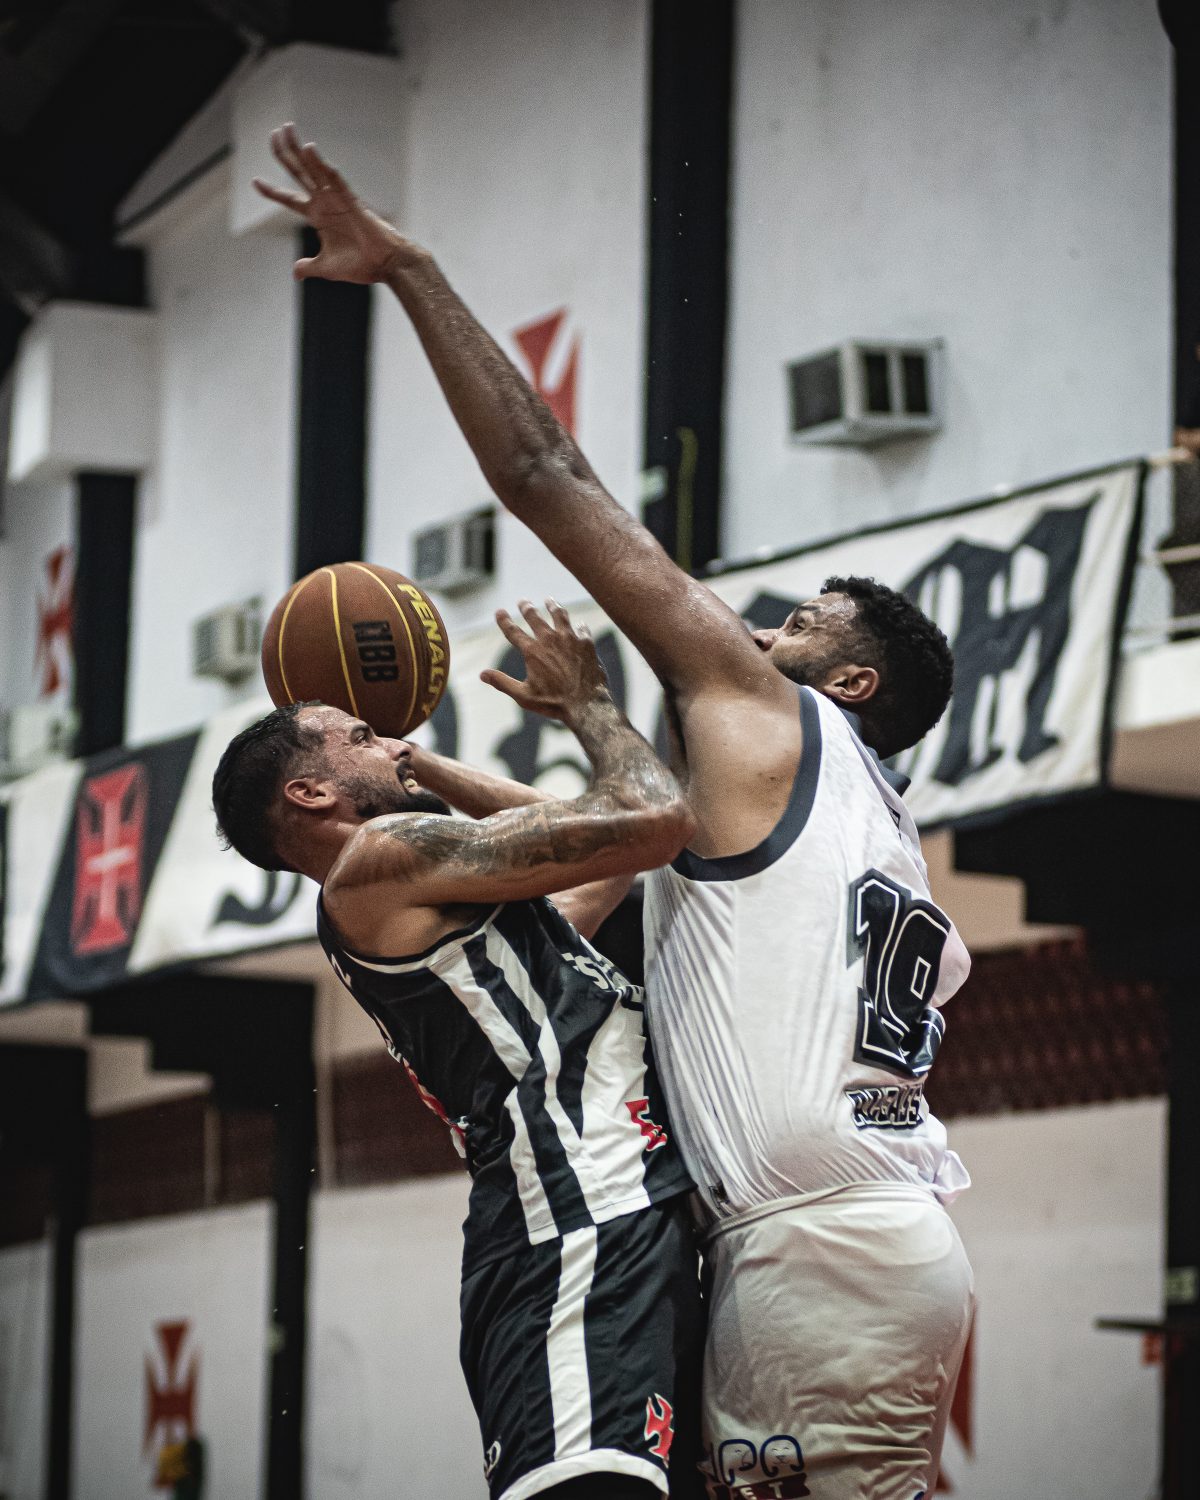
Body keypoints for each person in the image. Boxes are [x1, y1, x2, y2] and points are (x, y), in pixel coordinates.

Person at [254, 126, 974, 1499]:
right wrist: (425, 768)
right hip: (863, 1237)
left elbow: (549, 478)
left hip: (819, 1248)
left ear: (850, 683)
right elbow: (621, 846)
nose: (753, 631)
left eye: (797, 626)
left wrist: (409, 272)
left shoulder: (766, 719)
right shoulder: (870, 821)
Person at [212, 600, 704, 1500]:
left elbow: (615, 858)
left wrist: (420, 764)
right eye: (363, 737)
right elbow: (653, 821)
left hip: (618, 1218)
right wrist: (589, 705)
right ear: (310, 793)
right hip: (573, 1232)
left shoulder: (469, 924)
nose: (395, 744)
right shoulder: (378, 858)